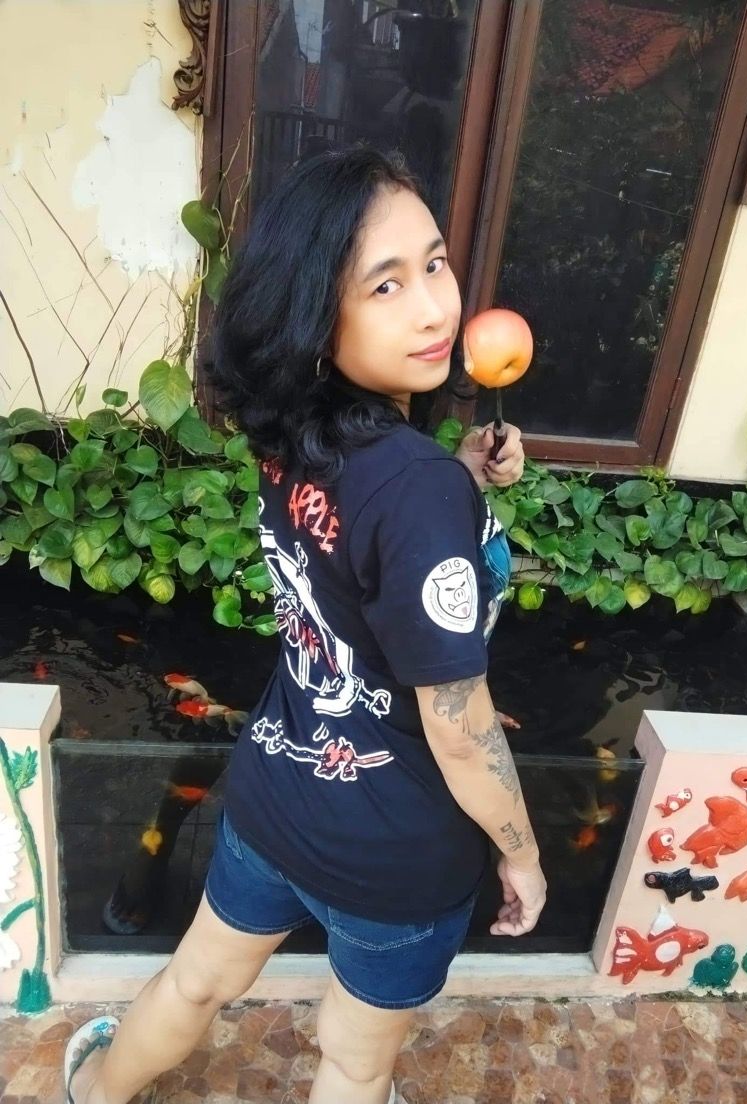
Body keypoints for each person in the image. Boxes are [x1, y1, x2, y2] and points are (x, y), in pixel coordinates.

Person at [65, 146, 547, 1104]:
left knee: (195, 983)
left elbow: (353, 546)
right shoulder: (413, 490)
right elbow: (458, 725)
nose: (434, 309)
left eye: (435, 264)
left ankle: (92, 1092)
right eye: (385, 284)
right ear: (318, 318)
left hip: (277, 793)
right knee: (355, 1062)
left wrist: (454, 474)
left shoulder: (295, 433)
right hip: (398, 848)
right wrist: (523, 853)